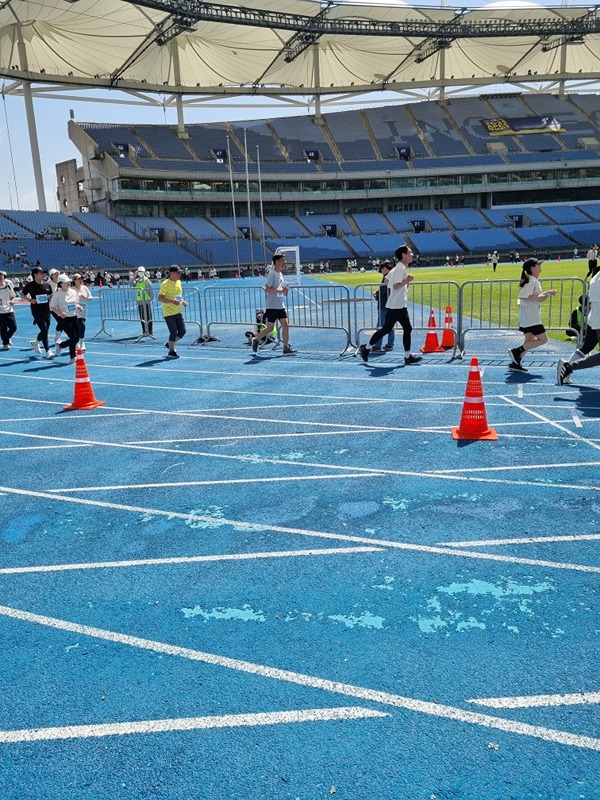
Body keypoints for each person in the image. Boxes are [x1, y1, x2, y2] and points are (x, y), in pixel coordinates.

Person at [359, 244, 422, 365]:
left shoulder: (398, 268)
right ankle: (367, 348)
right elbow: (395, 286)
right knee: (390, 329)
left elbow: (388, 280)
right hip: (396, 306)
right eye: (410, 252)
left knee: (392, 329)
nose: (412, 254)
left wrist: (405, 283)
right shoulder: (400, 268)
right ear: (404, 255)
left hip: (398, 305)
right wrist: (407, 280)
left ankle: (367, 348)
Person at [508, 258, 557, 372]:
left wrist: (547, 293)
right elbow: (524, 296)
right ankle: (517, 351)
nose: (540, 267)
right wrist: (543, 296)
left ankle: (515, 363)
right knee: (543, 339)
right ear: (532, 268)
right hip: (530, 316)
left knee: (529, 339)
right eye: (538, 265)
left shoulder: (533, 280)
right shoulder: (531, 280)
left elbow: (534, 297)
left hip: (529, 314)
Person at [558, 266, 600, 385]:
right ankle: (569, 366)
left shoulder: (596, 276)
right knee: (587, 347)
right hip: (597, 319)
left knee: (587, 347)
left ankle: (567, 369)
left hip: (594, 318)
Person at [251, 253, 297, 355]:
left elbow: (279, 289)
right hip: (272, 306)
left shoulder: (280, 274)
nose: (284, 262)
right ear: (276, 262)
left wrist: (284, 291)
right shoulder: (272, 274)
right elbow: (267, 289)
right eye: (282, 260)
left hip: (280, 305)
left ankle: (285, 348)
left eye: (284, 260)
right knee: (270, 328)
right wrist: (280, 290)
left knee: (285, 325)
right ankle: (256, 339)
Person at [21, 267, 54, 359]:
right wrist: (30, 300)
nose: (43, 274)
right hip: (36, 311)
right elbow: (22, 295)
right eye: (41, 273)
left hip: (47, 310)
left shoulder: (47, 285)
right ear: (35, 274)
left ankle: (36, 342)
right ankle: (48, 351)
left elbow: (51, 294)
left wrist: (50, 297)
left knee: (45, 329)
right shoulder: (30, 285)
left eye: (43, 273)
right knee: (44, 329)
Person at [158, 264, 187, 359]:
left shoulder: (178, 282)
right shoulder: (165, 284)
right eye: (178, 273)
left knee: (182, 331)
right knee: (173, 332)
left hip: (178, 310)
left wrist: (182, 302)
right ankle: (171, 351)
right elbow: (160, 298)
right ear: (172, 273)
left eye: (180, 273)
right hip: (169, 312)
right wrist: (171, 301)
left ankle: (169, 344)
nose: (180, 274)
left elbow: (178, 296)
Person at [50, 274, 81, 363]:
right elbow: (52, 307)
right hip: (65, 319)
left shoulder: (73, 292)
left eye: (68, 282)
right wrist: (60, 313)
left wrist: (79, 307)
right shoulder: (57, 294)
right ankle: (72, 357)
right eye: (66, 282)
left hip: (74, 317)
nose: (68, 283)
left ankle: (61, 345)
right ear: (60, 284)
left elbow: (76, 303)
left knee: (76, 338)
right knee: (73, 337)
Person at [371, 261, 395, 352]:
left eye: (381, 269)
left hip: (384, 304)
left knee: (380, 325)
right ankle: (390, 344)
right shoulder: (393, 275)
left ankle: (378, 345)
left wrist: (376, 295)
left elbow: (384, 292)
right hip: (391, 304)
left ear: (384, 268)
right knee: (390, 325)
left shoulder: (387, 277)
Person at [73, 272, 93, 352]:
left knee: (81, 327)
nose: (80, 280)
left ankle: (78, 342)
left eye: (81, 279)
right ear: (74, 280)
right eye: (78, 279)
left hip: (84, 310)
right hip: (75, 311)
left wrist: (85, 297)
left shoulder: (84, 288)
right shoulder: (72, 289)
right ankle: (81, 343)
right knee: (80, 325)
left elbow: (90, 297)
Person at [134, 266, 154, 336]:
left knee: (148, 317)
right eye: (139, 272)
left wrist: (151, 299)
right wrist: (134, 277)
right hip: (140, 302)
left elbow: (150, 290)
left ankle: (150, 331)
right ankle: (144, 331)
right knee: (142, 317)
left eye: (141, 272)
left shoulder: (146, 280)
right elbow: (130, 285)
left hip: (146, 301)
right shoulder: (136, 280)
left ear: (144, 272)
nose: (140, 273)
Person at [0, 270, 17, 350]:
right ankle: (5, 343)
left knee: (14, 327)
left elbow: (12, 296)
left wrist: (12, 301)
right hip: (0, 311)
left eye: (1, 277)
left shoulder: (8, 286)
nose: (0, 279)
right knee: (3, 328)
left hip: (9, 310)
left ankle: (8, 337)